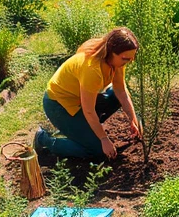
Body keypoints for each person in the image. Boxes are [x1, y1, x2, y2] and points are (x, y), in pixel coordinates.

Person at [34, 28, 142, 159]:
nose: (129, 62)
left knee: (114, 95)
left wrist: (133, 119)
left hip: (80, 100)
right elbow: (89, 110)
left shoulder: (116, 62)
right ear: (111, 51)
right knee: (96, 151)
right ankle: (43, 139)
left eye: (131, 58)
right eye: (125, 58)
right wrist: (103, 139)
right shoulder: (92, 69)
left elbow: (121, 91)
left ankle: (83, 130)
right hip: (58, 104)